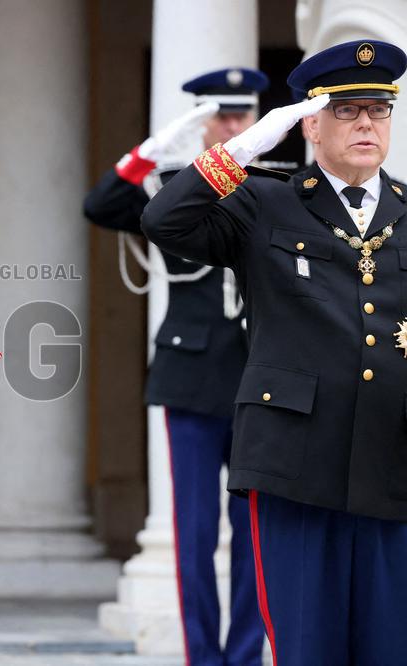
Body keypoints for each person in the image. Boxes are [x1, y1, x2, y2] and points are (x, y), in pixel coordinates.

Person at [142, 40, 407, 665]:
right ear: (309, 124)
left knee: (390, 647)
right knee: (306, 647)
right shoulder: (267, 201)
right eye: (346, 111)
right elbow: (164, 221)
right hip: (295, 466)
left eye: (378, 109)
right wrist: (243, 149)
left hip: (393, 466)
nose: (366, 123)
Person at [83, 69, 268, 666]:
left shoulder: (270, 185)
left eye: (243, 115)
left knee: (253, 532)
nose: (233, 125)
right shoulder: (170, 186)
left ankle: (243, 654)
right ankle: (203, 657)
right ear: (202, 119)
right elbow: (101, 204)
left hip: (258, 378)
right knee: (192, 532)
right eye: (222, 116)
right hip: (190, 377)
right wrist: (152, 151)